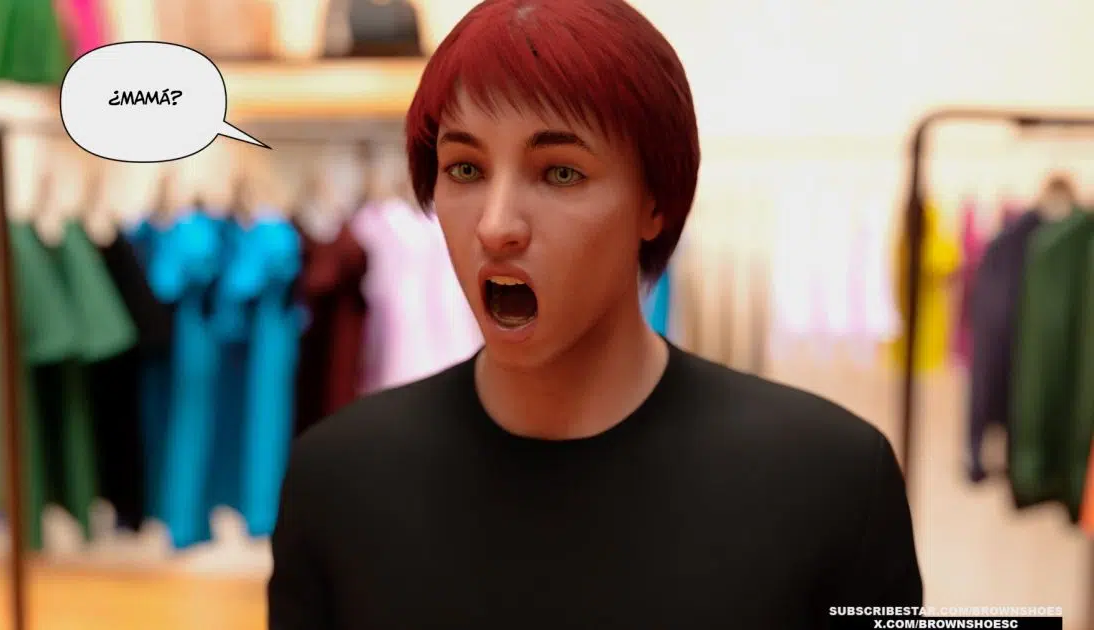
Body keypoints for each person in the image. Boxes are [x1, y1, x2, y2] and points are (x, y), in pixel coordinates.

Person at [268, 1, 923, 628]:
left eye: (560, 173)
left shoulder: (835, 482)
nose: (496, 226)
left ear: (654, 203)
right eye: (465, 168)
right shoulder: (336, 481)